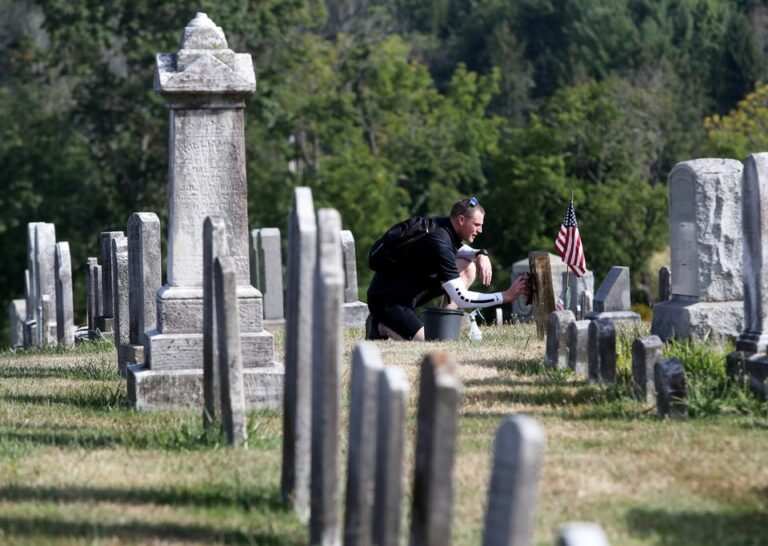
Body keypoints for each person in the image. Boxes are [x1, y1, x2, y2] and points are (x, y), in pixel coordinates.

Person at [366, 196, 528, 341]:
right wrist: (505, 296)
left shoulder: (443, 226)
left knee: (467, 267)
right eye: (477, 225)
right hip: (388, 301)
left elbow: (456, 250)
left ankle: (445, 325)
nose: (480, 230)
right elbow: (462, 298)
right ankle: (379, 324)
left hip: (407, 294)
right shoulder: (439, 241)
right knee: (430, 345)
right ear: (461, 220)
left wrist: (479, 253)